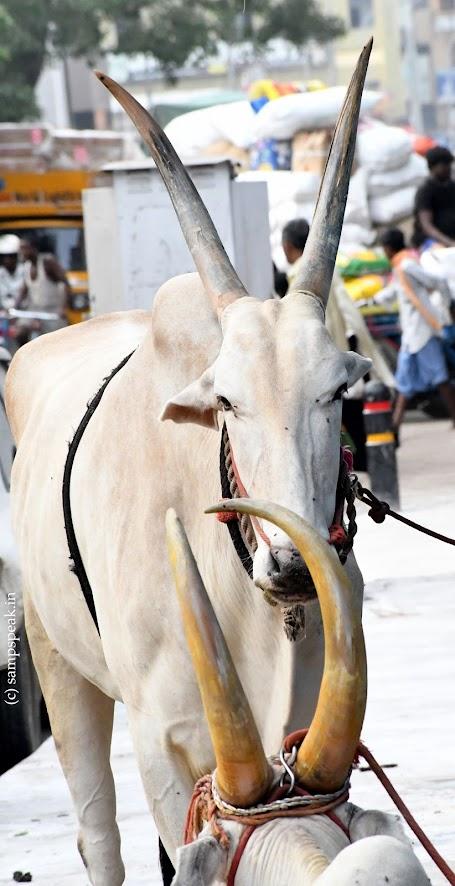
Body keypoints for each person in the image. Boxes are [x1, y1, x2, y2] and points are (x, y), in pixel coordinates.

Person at [281, 217, 397, 467]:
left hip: (321, 350)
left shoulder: (298, 276)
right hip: (340, 342)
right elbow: (347, 308)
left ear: (287, 246)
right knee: (350, 401)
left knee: (340, 406)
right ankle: (371, 454)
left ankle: (365, 457)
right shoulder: (326, 270)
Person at [374, 228, 455, 428]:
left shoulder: (407, 265)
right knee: (404, 380)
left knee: (439, 378)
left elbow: (437, 282)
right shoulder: (400, 266)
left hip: (423, 331)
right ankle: (394, 427)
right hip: (412, 334)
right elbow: (396, 290)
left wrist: (448, 308)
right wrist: (374, 299)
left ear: (389, 248)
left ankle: (395, 425)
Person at [14, 234, 71, 334]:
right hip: (35, 311)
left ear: (33, 248)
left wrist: (64, 308)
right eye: (20, 249)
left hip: (52, 312)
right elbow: (23, 291)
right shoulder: (27, 266)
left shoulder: (47, 262)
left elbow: (66, 283)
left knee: (55, 338)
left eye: (24, 248)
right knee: (20, 332)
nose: (22, 252)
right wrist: (14, 306)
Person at [412, 146, 455, 249]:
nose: (449, 168)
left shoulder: (451, 186)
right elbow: (427, 226)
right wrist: (450, 244)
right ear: (432, 167)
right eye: (444, 165)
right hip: (431, 239)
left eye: (449, 164)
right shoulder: (425, 191)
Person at [0, 234, 25, 307]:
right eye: (4, 256)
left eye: (11, 256)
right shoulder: (1, 273)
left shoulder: (25, 270)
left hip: (24, 310)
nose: (7, 260)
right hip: (4, 311)